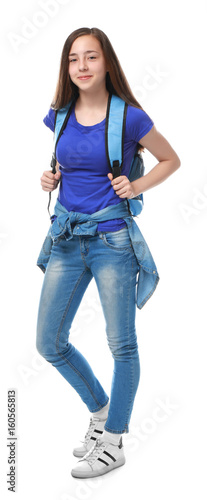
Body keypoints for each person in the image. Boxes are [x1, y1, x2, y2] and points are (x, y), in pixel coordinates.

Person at [36, 27, 181, 479]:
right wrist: (51, 177)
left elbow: (171, 159)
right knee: (48, 343)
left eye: (90, 57)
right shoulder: (58, 114)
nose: (81, 66)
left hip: (111, 241)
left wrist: (135, 185)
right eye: (73, 59)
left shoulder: (130, 117)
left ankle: (114, 441)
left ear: (106, 63)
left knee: (122, 345)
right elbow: (68, 159)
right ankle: (100, 413)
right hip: (65, 238)